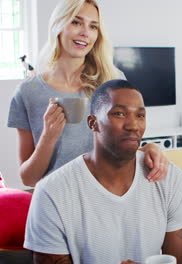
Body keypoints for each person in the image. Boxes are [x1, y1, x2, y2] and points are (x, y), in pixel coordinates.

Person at [24, 79, 182, 264]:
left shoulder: (169, 179)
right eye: (119, 113)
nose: (133, 126)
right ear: (93, 123)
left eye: (140, 116)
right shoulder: (52, 192)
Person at [7, 0, 168, 187]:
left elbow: (121, 150)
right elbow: (28, 178)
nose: (85, 32)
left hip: (105, 197)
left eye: (93, 26)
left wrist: (150, 148)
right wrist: (48, 137)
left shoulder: (113, 81)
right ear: (58, 26)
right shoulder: (28, 91)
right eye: (76, 22)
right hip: (55, 204)